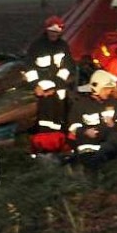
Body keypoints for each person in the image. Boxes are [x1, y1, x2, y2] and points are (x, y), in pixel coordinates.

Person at [23, 15, 75, 155]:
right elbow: (29, 68)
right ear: (46, 31)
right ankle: (44, 147)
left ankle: (59, 144)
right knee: (45, 120)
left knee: (60, 117)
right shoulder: (36, 47)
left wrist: (57, 85)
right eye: (52, 32)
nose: (54, 35)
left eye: (57, 33)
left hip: (58, 90)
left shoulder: (63, 46)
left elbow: (67, 67)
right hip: (42, 91)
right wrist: (36, 86)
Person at [67, 70, 117, 166]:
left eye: (110, 89)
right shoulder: (81, 105)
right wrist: (85, 132)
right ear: (97, 88)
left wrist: (114, 125)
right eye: (106, 89)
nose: (109, 91)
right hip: (88, 151)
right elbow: (73, 128)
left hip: (110, 149)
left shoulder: (113, 103)